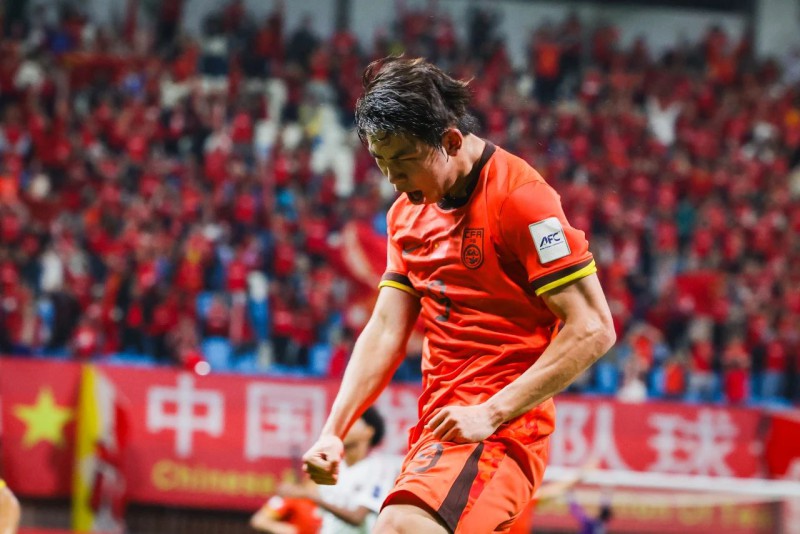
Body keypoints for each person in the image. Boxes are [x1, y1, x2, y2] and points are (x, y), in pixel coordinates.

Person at [302, 56, 616, 533]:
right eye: (381, 162)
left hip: (498, 432)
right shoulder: (405, 216)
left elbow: (593, 327)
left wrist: (491, 412)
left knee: (400, 527)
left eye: (403, 161)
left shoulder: (521, 199)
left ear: (450, 141)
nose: (392, 178)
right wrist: (334, 431)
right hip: (440, 426)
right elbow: (385, 329)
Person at [279, 407, 400, 534]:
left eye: (352, 421)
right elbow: (305, 492)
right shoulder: (331, 464)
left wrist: (309, 495)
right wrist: (292, 492)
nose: (343, 427)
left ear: (368, 432)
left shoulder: (380, 469)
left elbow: (357, 518)